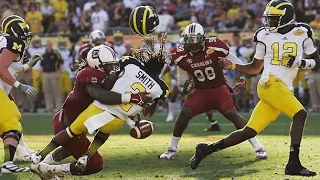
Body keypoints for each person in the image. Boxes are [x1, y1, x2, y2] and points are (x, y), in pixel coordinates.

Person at [190, 0, 319, 176]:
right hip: (270, 83)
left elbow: (316, 62)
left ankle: (206, 149)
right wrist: (233, 66)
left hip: (281, 87)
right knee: (300, 114)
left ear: (286, 18)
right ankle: (293, 163)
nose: (269, 22)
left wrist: (299, 62)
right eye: (268, 18)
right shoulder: (263, 35)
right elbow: (255, 68)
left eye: (273, 18)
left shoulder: (302, 32)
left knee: (249, 131)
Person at [31, 38, 169, 177]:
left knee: (74, 146)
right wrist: (133, 99)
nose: (113, 68)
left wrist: (133, 108)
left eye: (113, 65)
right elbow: (102, 96)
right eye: (108, 65)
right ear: (97, 65)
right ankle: (46, 169)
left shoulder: (115, 72)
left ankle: (45, 164)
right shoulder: (90, 73)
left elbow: (116, 91)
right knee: (95, 164)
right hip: (67, 121)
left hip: (77, 118)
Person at [159, 22, 267, 160]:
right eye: (189, 40)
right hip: (200, 91)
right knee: (184, 113)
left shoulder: (215, 46)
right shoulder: (180, 54)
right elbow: (183, 83)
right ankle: (171, 149)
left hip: (219, 89)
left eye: (195, 39)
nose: (192, 43)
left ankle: (258, 147)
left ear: (203, 38)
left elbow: (238, 63)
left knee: (232, 114)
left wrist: (241, 79)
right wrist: (184, 88)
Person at [0, 15, 40, 173]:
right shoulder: (13, 42)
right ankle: (8, 164)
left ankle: (22, 152)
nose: (26, 33)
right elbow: (1, 68)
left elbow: (10, 67)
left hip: (3, 89)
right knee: (12, 123)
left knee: (7, 123)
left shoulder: (5, 42)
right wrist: (19, 86)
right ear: (13, 30)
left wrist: (28, 65)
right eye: (23, 30)